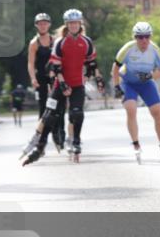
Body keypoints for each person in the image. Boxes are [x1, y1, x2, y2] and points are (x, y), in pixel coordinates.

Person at [22, 9, 105, 165]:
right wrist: (61, 82)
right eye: (71, 23)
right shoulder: (60, 42)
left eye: (76, 23)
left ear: (80, 24)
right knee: (49, 114)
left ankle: (75, 142)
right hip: (60, 84)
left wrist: (98, 78)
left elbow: (92, 64)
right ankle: (39, 144)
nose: (73, 26)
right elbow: (56, 67)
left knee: (77, 114)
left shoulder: (86, 42)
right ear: (67, 25)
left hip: (78, 84)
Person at [112, 21, 160, 163]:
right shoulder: (128, 48)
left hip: (146, 83)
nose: (144, 40)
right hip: (128, 82)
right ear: (135, 38)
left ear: (150, 36)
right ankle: (135, 143)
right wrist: (117, 86)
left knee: (157, 111)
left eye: (147, 36)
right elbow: (115, 68)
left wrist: (149, 76)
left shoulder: (154, 50)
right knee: (131, 109)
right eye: (140, 37)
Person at [27, 13, 66, 150]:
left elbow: (61, 60)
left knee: (59, 107)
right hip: (41, 80)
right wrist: (33, 78)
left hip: (55, 78)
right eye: (40, 23)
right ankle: (40, 141)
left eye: (45, 23)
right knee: (44, 109)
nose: (43, 25)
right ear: (36, 25)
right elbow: (31, 63)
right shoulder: (34, 43)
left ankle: (59, 134)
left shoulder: (55, 41)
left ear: (49, 25)